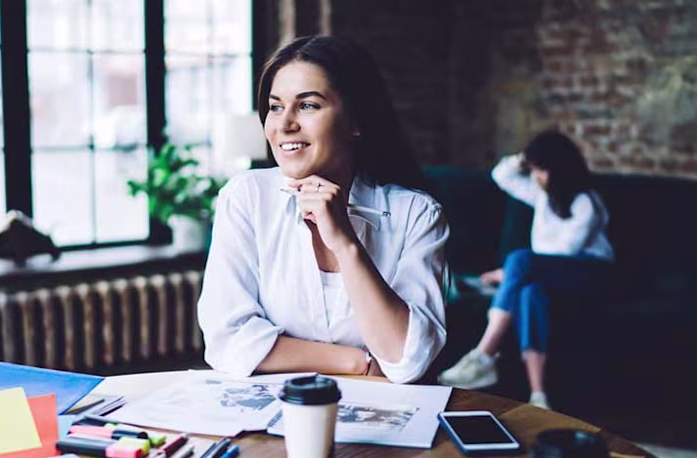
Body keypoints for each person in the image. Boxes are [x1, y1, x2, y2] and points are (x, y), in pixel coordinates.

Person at [197, 35, 449, 383]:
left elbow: (407, 360)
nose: (284, 125)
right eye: (275, 107)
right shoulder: (246, 197)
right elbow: (227, 340)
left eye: (308, 105)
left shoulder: (417, 215)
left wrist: (346, 244)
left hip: (381, 411)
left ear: (356, 120)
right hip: (276, 405)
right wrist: (358, 362)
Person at [437, 130, 615, 410]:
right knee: (530, 293)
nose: (535, 176)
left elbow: (565, 252)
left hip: (590, 272)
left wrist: (511, 272)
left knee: (519, 260)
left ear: (559, 170)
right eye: (533, 169)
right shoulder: (542, 195)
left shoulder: (586, 203)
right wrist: (523, 159)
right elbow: (501, 175)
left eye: (541, 169)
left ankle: (484, 355)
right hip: (548, 274)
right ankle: (539, 395)